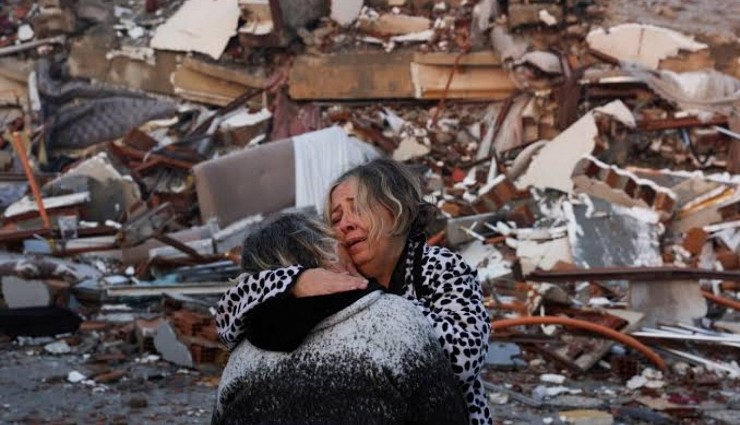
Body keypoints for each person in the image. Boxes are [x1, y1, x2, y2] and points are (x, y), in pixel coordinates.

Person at [217, 158, 492, 425]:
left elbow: (464, 357)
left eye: (358, 209)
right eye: (335, 219)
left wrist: (380, 304)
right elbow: (229, 318)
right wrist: (295, 281)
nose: (345, 224)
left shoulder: (439, 266)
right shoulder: (333, 279)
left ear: (397, 210)